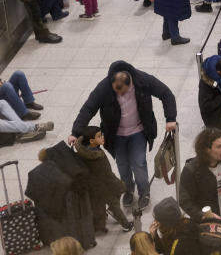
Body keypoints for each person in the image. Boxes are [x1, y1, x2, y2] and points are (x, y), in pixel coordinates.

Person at [68, 61, 178, 209]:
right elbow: (88, 108)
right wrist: (75, 132)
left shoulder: (142, 81)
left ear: (130, 82)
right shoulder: (104, 87)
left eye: (123, 92)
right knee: (122, 165)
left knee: (139, 163)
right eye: (116, 92)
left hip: (138, 131)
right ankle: (128, 189)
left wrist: (170, 118)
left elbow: (166, 94)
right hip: (116, 134)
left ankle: (144, 191)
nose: (120, 95)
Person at [178, 127, 221, 237]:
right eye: (219, 146)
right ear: (206, 149)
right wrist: (204, 216)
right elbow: (184, 200)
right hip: (207, 228)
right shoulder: (191, 170)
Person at [74, 125, 134, 233]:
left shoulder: (82, 151)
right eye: (99, 136)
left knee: (97, 204)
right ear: (92, 141)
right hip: (103, 186)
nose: (102, 137)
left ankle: (99, 221)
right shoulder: (98, 157)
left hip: (91, 184)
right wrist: (120, 184)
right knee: (115, 204)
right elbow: (108, 175)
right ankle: (126, 225)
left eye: (101, 134)